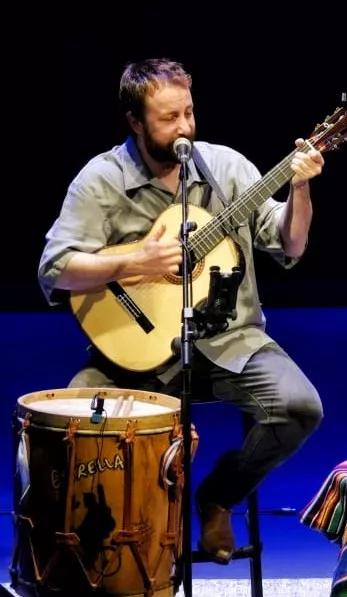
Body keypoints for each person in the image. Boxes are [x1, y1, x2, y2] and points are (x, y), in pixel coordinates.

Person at [37, 58, 325, 565]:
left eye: (188, 112)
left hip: (230, 339)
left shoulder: (229, 167)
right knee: (73, 425)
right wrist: (134, 262)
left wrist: (299, 188)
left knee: (301, 407)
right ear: (135, 121)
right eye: (169, 118)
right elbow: (56, 269)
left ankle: (217, 496)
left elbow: (290, 245)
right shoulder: (101, 180)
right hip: (132, 351)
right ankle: (108, 554)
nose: (184, 127)